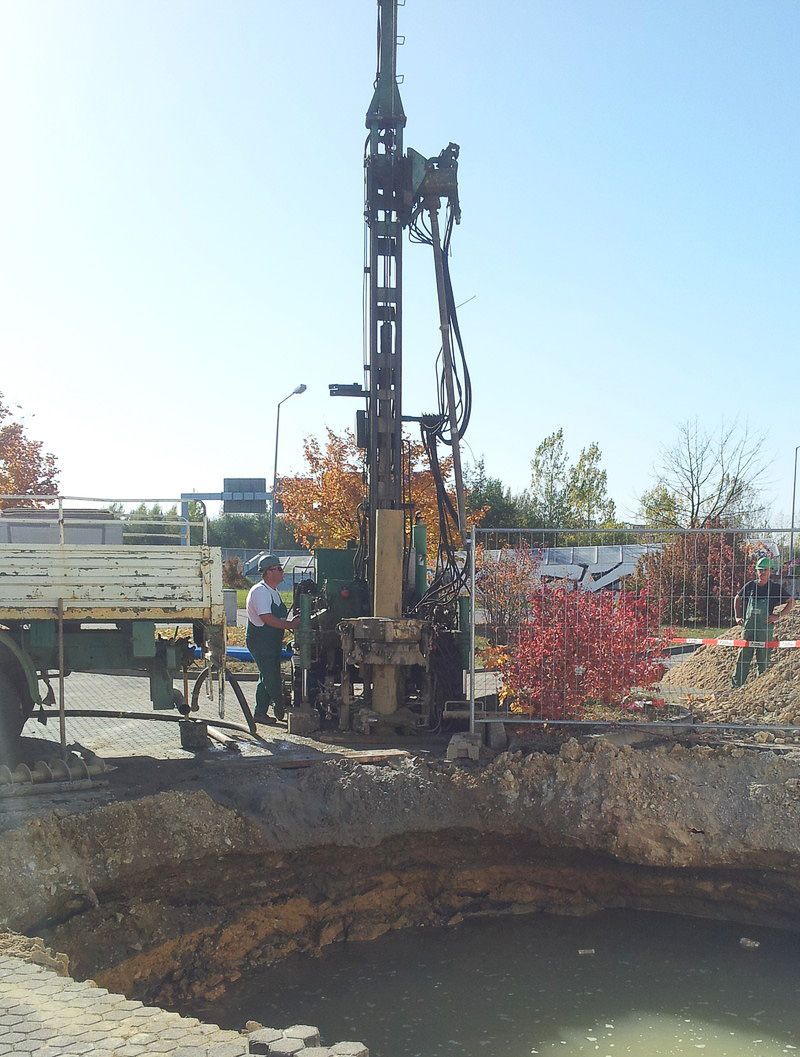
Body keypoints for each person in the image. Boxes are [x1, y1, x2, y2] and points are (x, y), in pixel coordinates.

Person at [245, 555, 299, 722]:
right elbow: (266, 618)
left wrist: (290, 623)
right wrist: (291, 625)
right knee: (272, 676)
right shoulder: (260, 591)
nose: (282, 572)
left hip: (272, 641)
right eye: (279, 569)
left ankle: (260, 713)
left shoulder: (274, 591)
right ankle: (279, 705)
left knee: (265, 676)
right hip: (261, 641)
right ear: (268, 572)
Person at [731, 556, 794, 688]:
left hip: (765, 628)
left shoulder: (775, 588)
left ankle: (761, 689)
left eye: (765, 570)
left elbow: (791, 601)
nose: (762, 572)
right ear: (756, 571)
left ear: (770, 571)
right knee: (743, 657)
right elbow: (737, 598)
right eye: (760, 570)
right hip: (748, 628)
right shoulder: (750, 586)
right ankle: (736, 687)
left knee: (763, 659)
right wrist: (737, 616)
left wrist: (778, 616)